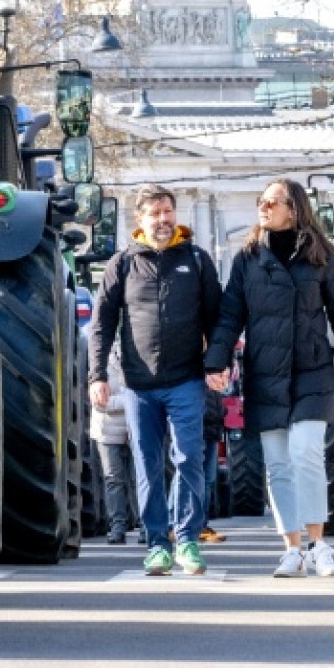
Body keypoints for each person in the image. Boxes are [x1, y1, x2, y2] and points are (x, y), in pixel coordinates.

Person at [204, 177, 334, 578]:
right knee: (277, 463)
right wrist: (216, 362)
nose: (263, 207)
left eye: (272, 202)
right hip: (265, 373)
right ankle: (292, 549)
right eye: (261, 201)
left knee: (306, 452)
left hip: (312, 371)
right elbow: (230, 316)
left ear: (294, 210)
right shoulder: (247, 258)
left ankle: (318, 545)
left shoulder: (321, 256)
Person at [89, 183, 222, 577]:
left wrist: (217, 364)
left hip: (187, 380)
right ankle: (157, 544)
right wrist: (97, 375)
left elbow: (217, 319)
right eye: (155, 213)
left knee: (189, 458)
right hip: (139, 385)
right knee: (147, 465)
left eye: (168, 212)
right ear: (140, 219)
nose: (163, 220)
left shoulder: (196, 261)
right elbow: (102, 324)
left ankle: (188, 539)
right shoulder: (122, 264)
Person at [90, 344, 136, 544]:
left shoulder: (138, 361)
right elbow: (100, 402)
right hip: (107, 432)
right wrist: (129, 401)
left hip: (134, 429)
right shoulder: (100, 365)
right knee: (113, 480)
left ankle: (146, 526)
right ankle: (118, 527)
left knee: (140, 478)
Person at [198, 389, 227, 543]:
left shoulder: (215, 384)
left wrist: (221, 411)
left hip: (213, 431)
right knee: (192, 479)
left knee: (207, 480)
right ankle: (185, 525)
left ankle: (202, 525)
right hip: (198, 431)